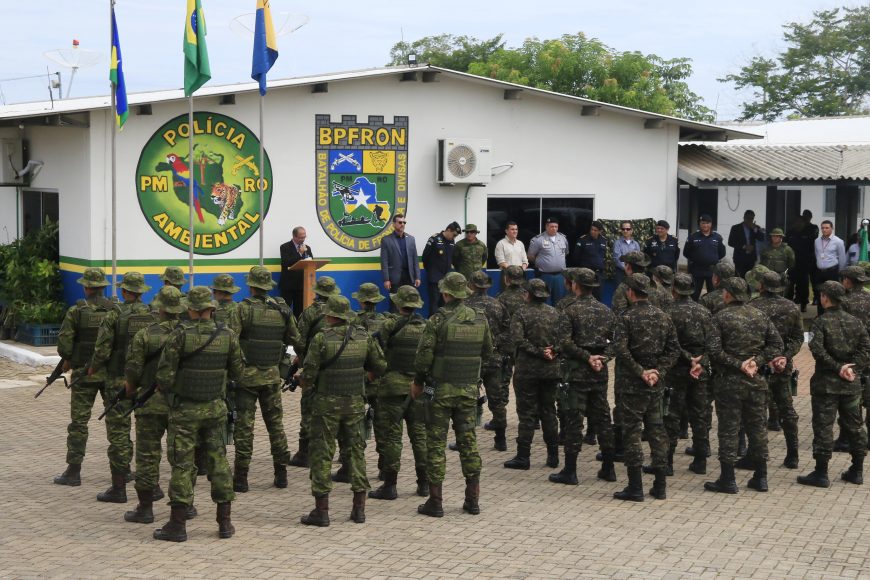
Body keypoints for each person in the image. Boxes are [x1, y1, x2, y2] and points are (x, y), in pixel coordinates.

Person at [152, 286, 244, 542]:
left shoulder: (180, 335)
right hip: (215, 409)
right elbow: (238, 372)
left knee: (183, 464)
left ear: (191, 309)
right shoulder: (228, 335)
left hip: (185, 411)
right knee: (219, 462)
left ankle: (178, 524)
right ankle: (225, 522)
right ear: (211, 308)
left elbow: (164, 377)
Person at [299, 295, 387, 527]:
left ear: (330, 315)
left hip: (326, 406)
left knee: (322, 454)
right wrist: (363, 376)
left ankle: (321, 512)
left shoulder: (321, 338)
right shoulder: (363, 336)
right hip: (354, 404)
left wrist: (303, 381)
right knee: (356, 452)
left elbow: (309, 374)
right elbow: (380, 366)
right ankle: (359, 510)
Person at [412, 272, 493, 518]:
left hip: (440, 392)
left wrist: (418, 382)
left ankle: (435, 502)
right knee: (468, 443)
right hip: (468, 391)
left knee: (436, 444)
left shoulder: (437, 320)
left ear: (446, 293)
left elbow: (423, 358)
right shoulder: (480, 319)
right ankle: (472, 500)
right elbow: (487, 352)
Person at [703, 277, 783, 495]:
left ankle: (728, 479)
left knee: (728, 429)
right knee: (758, 429)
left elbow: (714, 351)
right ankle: (761, 477)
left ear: (728, 294)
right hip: (756, 381)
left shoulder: (719, 317)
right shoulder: (760, 315)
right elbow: (777, 345)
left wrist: (738, 364)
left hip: (729, 383)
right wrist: (756, 362)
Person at [122, 286, 192, 524]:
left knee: (147, 456)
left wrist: (131, 390)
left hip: (150, 403)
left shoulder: (145, 335)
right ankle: (186, 505)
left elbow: (133, 370)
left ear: (160, 308)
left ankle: (145, 508)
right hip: (181, 404)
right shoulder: (190, 334)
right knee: (182, 457)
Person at [232, 266, 301, 493]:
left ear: (251, 285)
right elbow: (296, 340)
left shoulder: (242, 309)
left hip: (247, 378)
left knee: (244, 428)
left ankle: (241, 478)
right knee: (276, 426)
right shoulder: (282, 310)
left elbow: (231, 341)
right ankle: (281, 475)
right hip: (272, 376)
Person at [612, 274, 680, 502]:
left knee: (632, 432)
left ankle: (635, 487)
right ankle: (660, 486)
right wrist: (658, 371)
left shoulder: (626, 317)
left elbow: (621, 350)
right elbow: (674, 350)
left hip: (632, 385)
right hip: (655, 384)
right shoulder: (663, 317)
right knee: (657, 431)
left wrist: (640, 371)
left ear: (630, 293)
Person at [89, 271, 155, 503]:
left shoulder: (114, 315)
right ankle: (152, 485)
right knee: (148, 436)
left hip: (119, 380)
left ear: (125, 292)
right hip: (146, 385)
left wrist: (93, 367)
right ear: (141, 292)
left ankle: (119, 487)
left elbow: (102, 350)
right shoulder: (153, 315)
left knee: (118, 433)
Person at [797, 281, 870, 488]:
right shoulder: (856, 322)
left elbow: (817, 349)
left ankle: (821, 473)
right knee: (855, 427)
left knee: (823, 426)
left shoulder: (821, 322)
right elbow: (866, 348)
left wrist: (838, 368)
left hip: (826, 385)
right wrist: (852, 368)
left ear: (825, 298)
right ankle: (857, 470)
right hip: (850, 384)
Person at [552, 268, 618, 485]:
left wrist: (586, 357)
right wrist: (602, 359)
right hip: (599, 372)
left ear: (575, 285)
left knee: (574, 419)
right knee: (603, 418)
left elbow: (564, 343)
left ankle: (570, 471)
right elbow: (617, 342)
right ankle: (608, 468)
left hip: (577, 372)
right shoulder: (606, 311)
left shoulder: (569, 311)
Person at [53, 268, 117, 488]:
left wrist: (69, 359)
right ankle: (122, 471)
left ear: (86, 287)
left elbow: (64, 346)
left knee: (79, 423)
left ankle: (73, 471)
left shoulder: (77, 311)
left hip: (83, 375)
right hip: (111, 374)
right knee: (116, 423)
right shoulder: (115, 310)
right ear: (103, 287)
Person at [368, 286, 430, 500]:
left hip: (392, 388)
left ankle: (390, 485)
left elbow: (376, 351)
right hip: (418, 388)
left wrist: (377, 372)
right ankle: (424, 484)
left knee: (392, 437)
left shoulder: (389, 325)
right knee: (420, 436)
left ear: (398, 303)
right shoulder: (426, 326)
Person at [504, 279, 569, 471]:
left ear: (528, 294)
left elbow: (517, 340)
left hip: (527, 371)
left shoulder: (521, 313)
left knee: (527, 414)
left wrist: (539, 352)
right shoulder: (556, 313)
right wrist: (552, 351)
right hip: (551, 370)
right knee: (549, 411)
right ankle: (553, 457)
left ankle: (523, 457)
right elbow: (565, 339)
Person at [332, 283, 389, 483]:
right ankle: (385, 468)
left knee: (351, 425)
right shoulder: (386, 321)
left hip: (358, 380)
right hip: (380, 378)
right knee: (383, 426)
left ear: (361, 301)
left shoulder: (353, 322)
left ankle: (349, 466)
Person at [747, 272, 803, 470]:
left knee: (756, 411)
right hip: (782, 366)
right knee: (787, 410)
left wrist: (761, 358)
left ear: (762, 286)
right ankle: (793, 455)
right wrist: (784, 356)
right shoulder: (791, 307)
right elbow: (798, 338)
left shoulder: (752, 307)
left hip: (759, 367)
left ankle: (756, 455)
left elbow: (749, 339)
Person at [288, 276, 341, 468]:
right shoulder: (345, 312)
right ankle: (344, 454)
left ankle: (305, 453)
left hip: (314, 368)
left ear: (317, 292)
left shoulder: (310, 313)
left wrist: (302, 359)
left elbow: (299, 341)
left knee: (309, 409)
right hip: (339, 368)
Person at [663, 274, 714, 475]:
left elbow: (668, 344)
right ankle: (700, 461)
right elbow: (713, 343)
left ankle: (667, 462)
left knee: (671, 415)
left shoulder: (668, 312)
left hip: (676, 370)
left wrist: (687, 358)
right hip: (699, 371)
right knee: (700, 415)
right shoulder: (704, 312)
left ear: (674, 289)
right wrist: (700, 361)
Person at [465, 271, 512, 452]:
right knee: (497, 401)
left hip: (471, 360)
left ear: (471, 285)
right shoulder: (498, 305)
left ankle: (466, 441)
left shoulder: (465, 306)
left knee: (467, 401)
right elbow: (508, 331)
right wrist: (494, 343)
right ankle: (500, 440)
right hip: (493, 359)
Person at [380, 214, 421, 308]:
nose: (402, 224)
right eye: (400, 222)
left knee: (409, 304)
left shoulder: (411, 239)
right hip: (395, 278)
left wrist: (417, 277)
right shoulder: (386, 240)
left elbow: (415, 259)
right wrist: (386, 279)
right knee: (395, 304)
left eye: (404, 222)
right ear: (394, 224)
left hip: (409, 276)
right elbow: (384, 261)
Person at [421, 222, 461, 316]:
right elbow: (425, 257)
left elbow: (450, 258)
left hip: (446, 279)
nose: (454, 237)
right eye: (454, 235)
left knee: (444, 304)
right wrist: (432, 271)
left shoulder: (451, 241)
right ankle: (433, 323)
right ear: (448, 230)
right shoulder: (434, 239)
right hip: (435, 278)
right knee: (434, 303)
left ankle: (442, 322)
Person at [683, 214, 726, 301]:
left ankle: (711, 309)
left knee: (713, 295)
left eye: (707, 223)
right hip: (697, 270)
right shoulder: (693, 237)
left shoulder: (717, 237)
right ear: (699, 224)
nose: (705, 225)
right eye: (703, 223)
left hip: (712, 271)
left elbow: (722, 253)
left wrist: (712, 259)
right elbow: (686, 252)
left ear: (711, 224)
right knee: (694, 294)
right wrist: (697, 259)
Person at [527, 217, 569, 305]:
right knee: (545, 300)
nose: (554, 229)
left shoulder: (563, 238)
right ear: (546, 227)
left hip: (560, 275)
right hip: (545, 275)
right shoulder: (538, 239)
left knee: (560, 300)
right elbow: (530, 256)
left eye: (556, 227)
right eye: (551, 226)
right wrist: (541, 262)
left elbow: (565, 253)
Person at [786, 210, 819, 312]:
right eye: (796, 222)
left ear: (804, 223)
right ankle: (788, 304)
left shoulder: (809, 231)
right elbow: (785, 244)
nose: (798, 224)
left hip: (804, 262)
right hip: (792, 263)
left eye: (800, 222)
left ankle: (804, 303)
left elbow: (814, 242)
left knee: (803, 284)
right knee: (789, 283)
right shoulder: (790, 232)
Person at [279, 226, 313, 318]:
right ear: (294, 236)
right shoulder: (284, 247)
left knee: (299, 311)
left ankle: (298, 326)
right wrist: (300, 254)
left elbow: (311, 262)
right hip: (288, 285)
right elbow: (286, 262)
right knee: (285, 311)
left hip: (302, 285)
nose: (303, 239)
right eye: (301, 237)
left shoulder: (307, 248)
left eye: (304, 237)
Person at [814, 220, 846, 314]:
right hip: (819, 272)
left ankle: (832, 314)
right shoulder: (817, 241)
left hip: (832, 272)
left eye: (827, 228)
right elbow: (817, 255)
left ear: (832, 228)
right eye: (823, 228)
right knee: (819, 294)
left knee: (832, 294)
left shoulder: (838, 241)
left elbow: (842, 258)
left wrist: (840, 274)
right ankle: (820, 315)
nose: (824, 230)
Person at [569, 220, 608, 298]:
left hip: (598, 274)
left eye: (595, 230)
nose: (592, 231)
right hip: (586, 273)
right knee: (584, 296)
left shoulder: (603, 240)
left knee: (597, 297)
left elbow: (603, 256)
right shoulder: (583, 239)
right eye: (592, 229)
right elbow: (576, 257)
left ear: (600, 231)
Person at [728, 210, 764, 278]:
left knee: (750, 278)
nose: (749, 220)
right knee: (739, 278)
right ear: (744, 218)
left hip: (751, 258)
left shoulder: (755, 227)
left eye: (751, 218)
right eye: (748, 218)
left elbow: (761, 238)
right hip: (739, 258)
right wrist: (744, 246)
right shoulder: (736, 228)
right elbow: (731, 242)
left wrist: (755, 229)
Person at [495, 221, 529, 287]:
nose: (515, 231)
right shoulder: (501, 244)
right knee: (508, 293)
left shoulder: (520, 244)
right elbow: (501, 262)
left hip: (520, 276)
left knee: (521, 293)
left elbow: (525, 261)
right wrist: (513, 271)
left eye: (516, 229)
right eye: (512, 229)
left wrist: (521, 271)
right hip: (507, 276)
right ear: (506, 231)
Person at [612, 221, 641, 287]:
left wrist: (632, 270)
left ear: (631, 230)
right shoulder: (617, 243)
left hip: (633, 273)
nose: (625, 231)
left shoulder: (636, 244)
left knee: (632, 292)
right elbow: (617, 259)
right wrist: (627, 269)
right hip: (620, 273)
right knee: (620, 292)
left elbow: (639, 259)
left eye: (628, 229)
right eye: (623, 229)